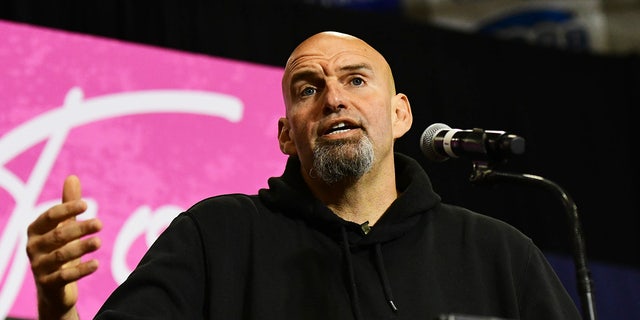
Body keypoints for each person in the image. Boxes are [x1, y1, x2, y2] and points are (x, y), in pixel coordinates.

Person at [26, 31, 582, 320]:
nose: (334, 97)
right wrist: (58, 305)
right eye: (308, 89)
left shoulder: (497, 254)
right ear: (287, 134)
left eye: (356, 80)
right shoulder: (214, 236)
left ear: (400, 115)